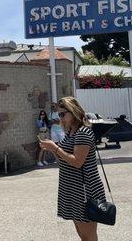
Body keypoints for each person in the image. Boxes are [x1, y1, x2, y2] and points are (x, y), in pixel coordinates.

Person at [40, 97, 106, 241]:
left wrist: (55, 147)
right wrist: (52, 150)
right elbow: (64, 160)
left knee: (88, 236)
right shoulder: (71, 132)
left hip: (85, 190)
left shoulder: (83, 132)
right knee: (82, 235)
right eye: (59, 114)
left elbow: (77, 162)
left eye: (63, 114)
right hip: (72, 188)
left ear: (74, 112)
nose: (60, 117)